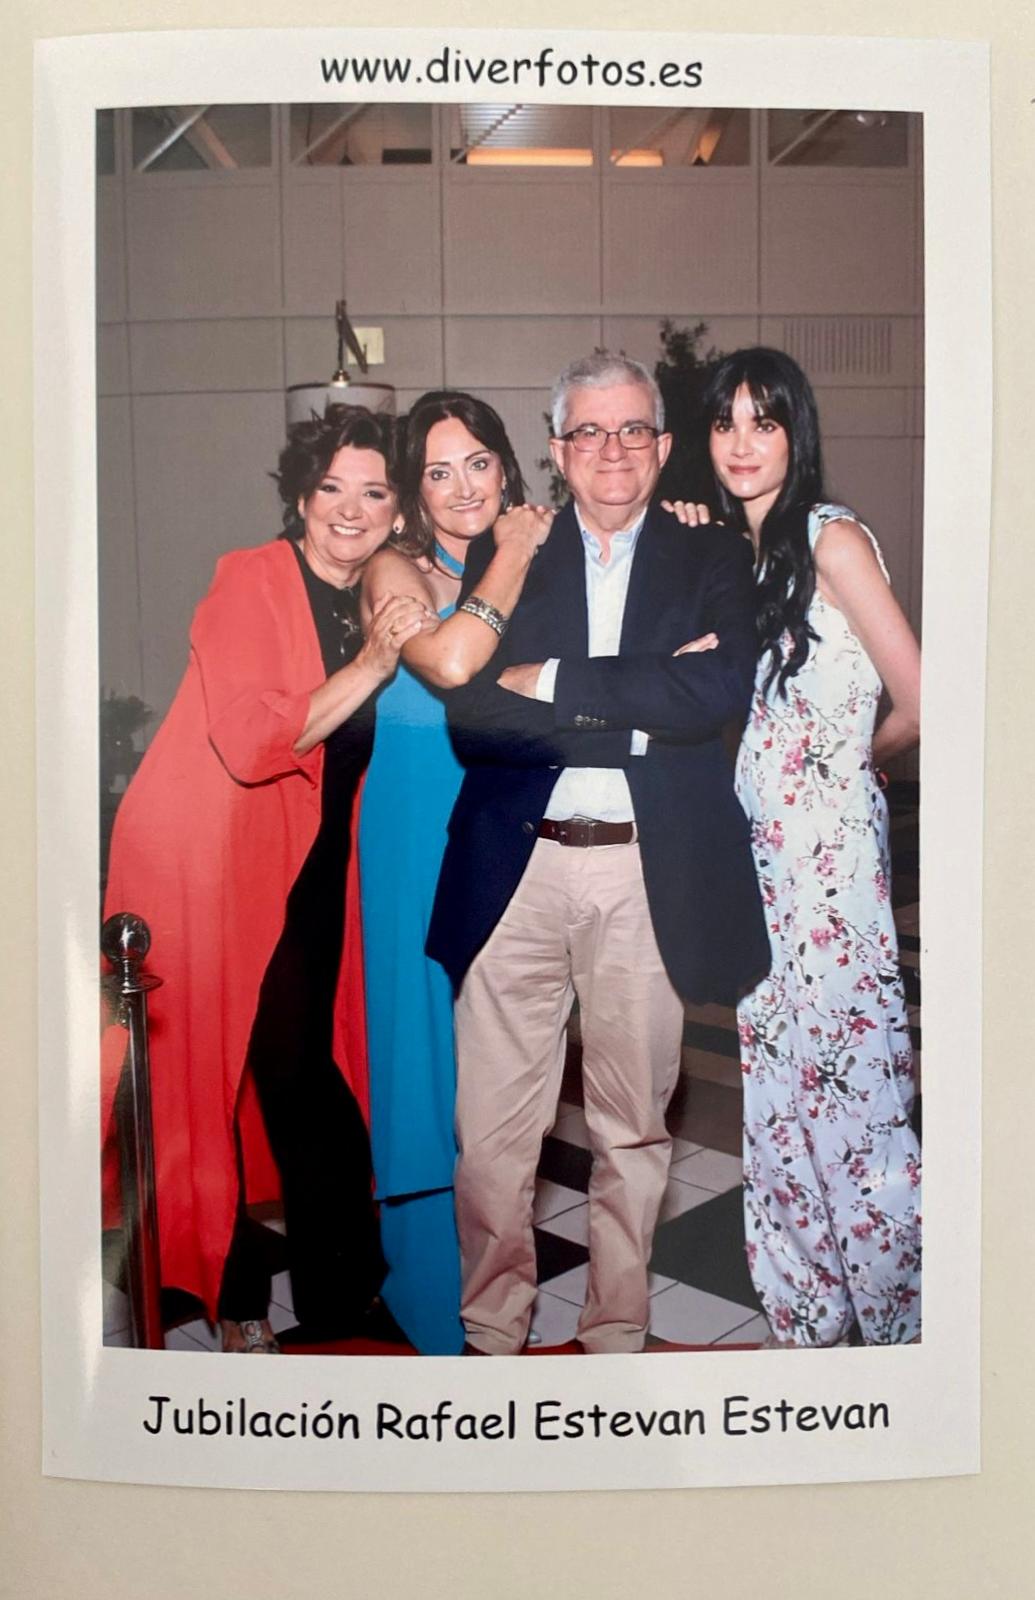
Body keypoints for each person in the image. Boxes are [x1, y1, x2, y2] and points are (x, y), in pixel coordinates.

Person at [426, 352, 771, 1355]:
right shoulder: (512, 549)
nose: (611, 448)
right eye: (588, 431)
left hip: (644, 873)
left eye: (632, 430)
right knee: (493, 1138)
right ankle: (492, 1330)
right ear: (557, 449)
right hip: (513, 872)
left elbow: (716, 695)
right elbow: (474, 718)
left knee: (632, 1124)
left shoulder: (710, 555)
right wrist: (643, 694)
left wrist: (549, 681)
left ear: (662, 448)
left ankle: (616, 1329)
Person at [102, 405, 431, 1352]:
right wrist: (372, 662)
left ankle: (326, 1296)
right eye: (331, 487)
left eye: (373, 491)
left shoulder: (379, 588)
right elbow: (253, 745)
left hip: (304, 860)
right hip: (204, 859)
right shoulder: (249, 577)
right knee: (237, 1075)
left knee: (288, 1069)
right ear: (299, 495)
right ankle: (256, 1293)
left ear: (397, 509)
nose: (350, 509)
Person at [690, 346, 922, 1346]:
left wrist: (846, 765)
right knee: (779, 1089)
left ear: (797, 433)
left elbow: (921, 698)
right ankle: (808, 1313)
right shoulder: (739, 556)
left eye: (764, 421)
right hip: (760, 859)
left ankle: (899, 1321)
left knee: (850, 1088)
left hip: (829, 864)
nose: (742, 443)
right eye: (725, 423)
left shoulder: (832, 538)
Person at [358, 392, 552, 1355]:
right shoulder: (394, 568)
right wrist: (514, 551)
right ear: (414, 492)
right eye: (437, 471)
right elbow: (451, 663)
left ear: (506, 468)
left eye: (477, 462)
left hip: (502, 821)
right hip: (411, 826)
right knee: (420, 1049)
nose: (463, 486)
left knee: (497, 1063)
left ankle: (490, 1280)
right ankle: (427, 1287)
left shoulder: (545, 555)